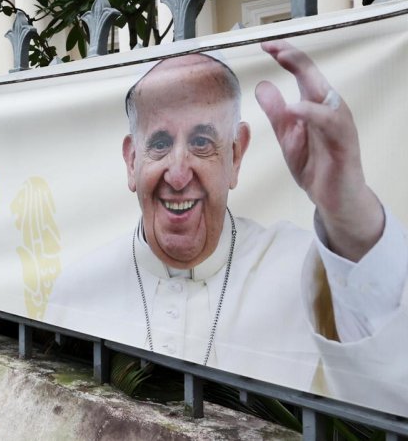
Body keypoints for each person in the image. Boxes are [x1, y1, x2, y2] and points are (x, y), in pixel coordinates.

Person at [44, 40, 407, 415]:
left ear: (235, 154)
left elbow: (394, 384)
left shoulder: (309, 270)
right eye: (160, 143)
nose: (179, 173)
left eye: (202, 142)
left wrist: (348, 212)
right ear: (132, 159)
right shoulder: (77, 288)